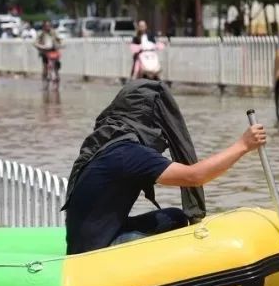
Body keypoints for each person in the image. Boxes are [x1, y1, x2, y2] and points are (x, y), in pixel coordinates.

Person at [62, 79, 266, 255]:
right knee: (176, 223)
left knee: (173, 218)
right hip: (94, 253)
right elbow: (194, 176)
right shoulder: (127, 153)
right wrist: (243, 145)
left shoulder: (106, 142)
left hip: (85, 241)